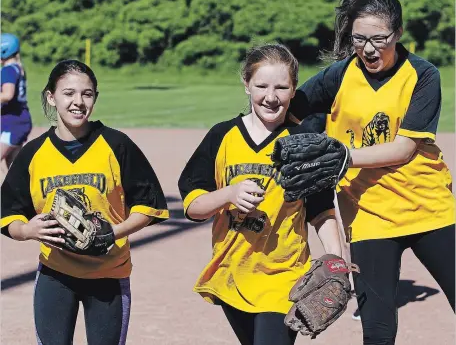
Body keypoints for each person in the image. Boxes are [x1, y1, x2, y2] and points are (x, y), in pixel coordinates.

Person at [289, 0, 455, 344]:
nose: (368, 48)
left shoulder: (423, 75)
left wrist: (340, 157)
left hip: (428, 208)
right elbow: (292, 109)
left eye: (379, 38)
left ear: (397, 33)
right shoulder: (340, 73)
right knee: (377, 328)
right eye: (359, 38)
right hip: (368, 216)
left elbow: (403, 149)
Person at [178, 43, 342, 345]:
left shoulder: (302, 143)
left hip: (284, 275)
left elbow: (322, 210)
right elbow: (194, 207)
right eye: (261, 86)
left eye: (282, 87)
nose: (271, 97)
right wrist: (228, 194)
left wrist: (337, 262)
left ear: (293, 90)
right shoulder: (221, 136)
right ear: (246, 84)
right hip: (233, 273)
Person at [0, 60, 169, 345]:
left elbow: (148, 205)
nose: (78, 102)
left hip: (108, 274)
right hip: (55, 274)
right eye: (68, 93)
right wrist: (27, 231)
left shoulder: (117, 145)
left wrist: (112, 233)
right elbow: (8, 214)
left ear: (95, 98)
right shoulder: (33, 153)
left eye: (87, 94)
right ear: (51, 98)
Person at [1, 33, 32, 171]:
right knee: (15, 170)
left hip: (12, 123)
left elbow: (7, 95)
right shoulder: (18, 68)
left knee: (15, 168)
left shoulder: (8, 70)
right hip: (19, 120)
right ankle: (22, 192)